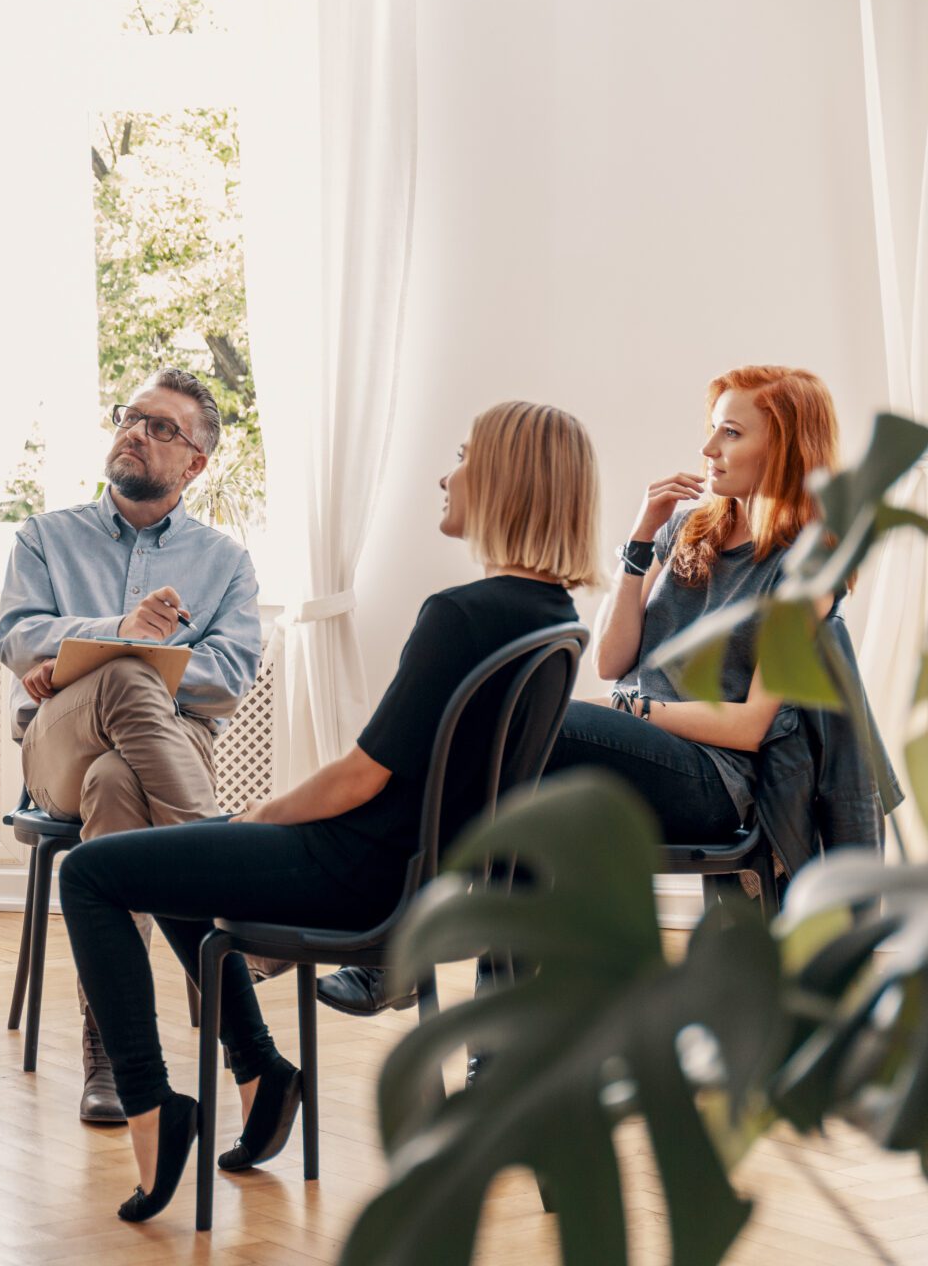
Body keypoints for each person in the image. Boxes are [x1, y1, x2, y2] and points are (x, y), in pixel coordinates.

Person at [57, 402, 600, 1221]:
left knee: (92, 872)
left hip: (357, 875)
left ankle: (151, 1106)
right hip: (426, 880)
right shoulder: (553, 618)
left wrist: (258, 819)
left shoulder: (460, 614)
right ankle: (261, 1068)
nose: (446, 474)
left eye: (461, 456)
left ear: (506, 481)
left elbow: (358, 779)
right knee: (175, 861)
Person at [322, 366, 842, 1023]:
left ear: (788, 449)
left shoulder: (810, 564)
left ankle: (393, 946)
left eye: (731, 434)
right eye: (711, 432)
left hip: (713, 780)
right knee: (524, 800)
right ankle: (498, 1049)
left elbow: (750, 726)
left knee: (519, 724)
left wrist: (627, 709)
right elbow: (613, 657)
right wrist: (638, 544)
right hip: (634, 760)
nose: (708, 450)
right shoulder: (690, 529)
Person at [0, 368, 262, 1123]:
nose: (136, 432)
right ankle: (232, 896)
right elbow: (17, 638)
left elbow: (229, 681)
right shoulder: (45, 536)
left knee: (117, 782)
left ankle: (113, 1052)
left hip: (164, 750)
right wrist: (124, 638)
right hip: (56, 746)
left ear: (195, 464)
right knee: (122, 684)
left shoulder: (225, 562)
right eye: (132, 417)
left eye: (162, 428)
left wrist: (107, 663)